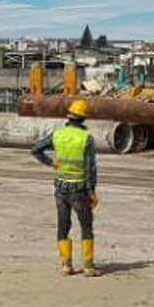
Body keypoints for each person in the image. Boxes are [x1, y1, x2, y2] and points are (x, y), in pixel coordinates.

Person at [32, 98, 100, 276]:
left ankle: (66, 265)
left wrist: (51, 163)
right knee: (86, 226)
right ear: (83, 119)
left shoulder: (57, 135)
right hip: (79, 189)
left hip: (60, 188)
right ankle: (88, 266)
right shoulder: (86, 138)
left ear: (69, 116)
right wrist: (92, 191)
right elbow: (90, 167)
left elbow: (36, 149)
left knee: (63, 225)